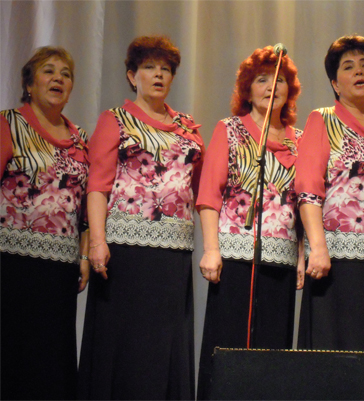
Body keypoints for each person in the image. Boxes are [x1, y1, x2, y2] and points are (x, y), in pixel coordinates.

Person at [77, 35, 204, 400]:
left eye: (165, 69)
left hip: (173, 255)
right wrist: (96, 242)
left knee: (165, 346)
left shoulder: (188, 127)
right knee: (124, 346)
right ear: (133, 76)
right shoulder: (115, 120)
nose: (158, 75)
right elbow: (97, 186)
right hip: (124, 253)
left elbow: (200, 188)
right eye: (149, 67)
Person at [196, 45, 303, 400]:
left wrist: (301, 255)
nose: (271, 87)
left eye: (280, 80)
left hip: (282, 261)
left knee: (273, 353)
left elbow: (304, 204)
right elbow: (209, 195)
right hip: (236, 258)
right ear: (247, 88)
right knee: (230, 346)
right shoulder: (229, 130)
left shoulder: (300, 140)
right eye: (262, 79)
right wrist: (211, 250)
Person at [295, 35, 364, 351]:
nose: (358, 71)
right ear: (335, 83)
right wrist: (318, 249)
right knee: (333, 355)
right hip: (334, 261)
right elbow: (308, 189)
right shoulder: (323, 119)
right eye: (348, 67)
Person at [0, 46, 89, 400]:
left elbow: (85, 209)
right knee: (12, 355)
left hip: (60, 270)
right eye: (49, 71)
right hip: (11, 263)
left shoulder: (81, 138)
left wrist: (84, 255)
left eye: (65, 74)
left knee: (51, 360)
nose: (58, 79)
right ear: (29, 84)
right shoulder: (9, 123)